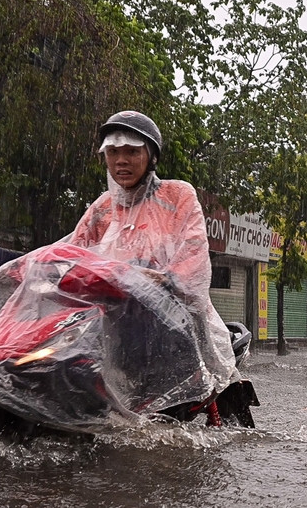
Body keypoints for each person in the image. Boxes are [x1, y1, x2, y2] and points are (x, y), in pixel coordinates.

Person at [59, 110, 238, 387]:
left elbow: (194, 254)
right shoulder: (101, 208)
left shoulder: (178, 195)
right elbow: (73, 253)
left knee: (207, 383)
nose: (121, 160)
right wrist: (44, 271)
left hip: (172, 319)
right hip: (112, 319)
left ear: (151, 156)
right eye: (113, 152)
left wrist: (166, 279)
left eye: (131, 151)